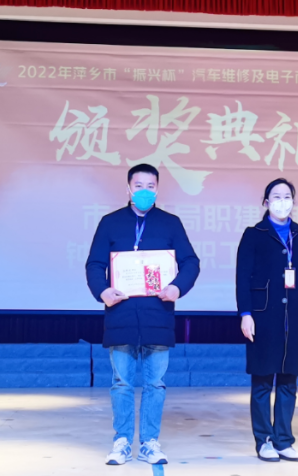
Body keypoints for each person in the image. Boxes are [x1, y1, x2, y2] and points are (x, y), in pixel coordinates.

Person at [86, 164, 200, 466]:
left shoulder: (170, 223)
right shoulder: (110, 223)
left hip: (158, 315)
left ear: (157, 189)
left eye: (151, 186)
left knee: (155, 384)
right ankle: (122, 442)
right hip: (120, 314)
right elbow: (94, 264)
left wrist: (177, 287)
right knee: (121, 383)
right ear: (128, 188)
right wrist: (102, 291)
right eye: (139, 185)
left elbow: (191, 262)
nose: (144, 191)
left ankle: (149, 442)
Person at [236, 178, 298, 463]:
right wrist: (245, 314)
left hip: (297, 316)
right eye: (276, 196)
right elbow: (242, 278)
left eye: (287, 196)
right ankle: (263, 440)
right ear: (266, 202)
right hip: (263, 315)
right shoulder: (254, 234)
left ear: (293, 202)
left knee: (288, 381)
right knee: (262, 380)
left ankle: (284, 440)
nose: (282, 201)